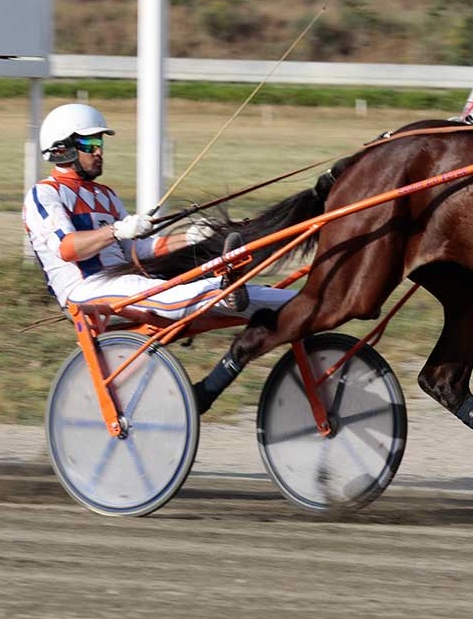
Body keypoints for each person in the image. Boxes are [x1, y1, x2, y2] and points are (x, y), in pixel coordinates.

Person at [23, 102, 293, 411]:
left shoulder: (106, 195)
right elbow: (67, 248)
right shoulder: (44, 194)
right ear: (63, 149)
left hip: (125, 280)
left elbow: (139, 251)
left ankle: (278, 298)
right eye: (90, 143)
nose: (99, 151)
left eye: (101, 143)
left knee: (276, 300)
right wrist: (117, 230)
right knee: (173, 296)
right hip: (85, 290)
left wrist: (188, 238)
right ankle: (224, 290)